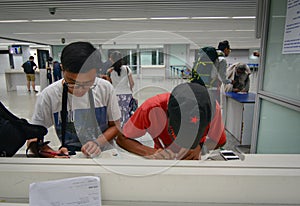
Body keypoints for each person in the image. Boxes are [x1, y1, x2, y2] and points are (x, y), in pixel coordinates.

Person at [27, 41, 121, 158]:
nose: (79, 90)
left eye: (87, 83)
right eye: (71, 82)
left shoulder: (105, 88)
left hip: (105, 156)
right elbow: (32, 139)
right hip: (70, 158)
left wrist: (97, 142)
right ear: (62, 69)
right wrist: (52, 154)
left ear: (96, 72)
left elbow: (116, 126)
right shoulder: (49, 95)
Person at [116, 82, 226, 160]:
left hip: (192, 162)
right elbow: (122, 138)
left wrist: (201, 147)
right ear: (167, 115)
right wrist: (151, 153)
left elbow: (220, 141)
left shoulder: (212, 110)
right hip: (163, 160)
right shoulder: (151, 109)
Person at [107, 51, 135, 127]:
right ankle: (127, 130)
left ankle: (119, 131)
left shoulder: (109, 71)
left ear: (112, 60)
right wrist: (130, 90)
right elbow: (132, 83)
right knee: (127, 113)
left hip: (115, 95)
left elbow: (109, 85)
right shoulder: (127, 69)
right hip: (127, 94)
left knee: (117, 114)